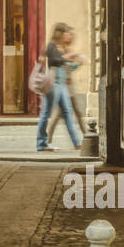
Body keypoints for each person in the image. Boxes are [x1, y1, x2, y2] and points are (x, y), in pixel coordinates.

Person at [36, 23, 84, 153]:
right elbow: (56, 60)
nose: (69, 35)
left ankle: (77, 143)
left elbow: (65, 63)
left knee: (68, 112)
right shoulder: (51, 46)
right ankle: (41, 143)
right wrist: (72, 56)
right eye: (66, 32)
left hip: (62, 85)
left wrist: (75, 61)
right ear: (60, 33)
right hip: (53, 83)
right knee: (46, 113)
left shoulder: (62, 48)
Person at [47, 26, 87, 146]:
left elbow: (73, 64)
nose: (71, 37)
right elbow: (63, 63)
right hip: (61, 86)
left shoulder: (68, 50)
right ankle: (48, 139)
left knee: (76, 113)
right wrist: (75, 59)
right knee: (60, 114)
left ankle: (85, 136)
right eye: (69, 35)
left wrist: (78, 61)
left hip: (69, 87)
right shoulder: (58, 49)